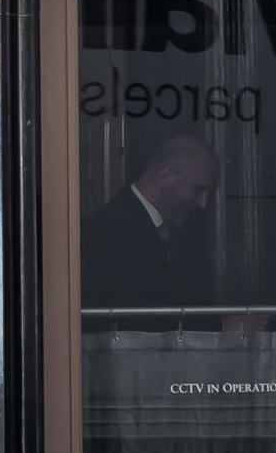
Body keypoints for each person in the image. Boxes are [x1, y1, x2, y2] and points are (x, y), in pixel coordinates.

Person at [82, 130, 219, 317]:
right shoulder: (109, 232)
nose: (203, 203)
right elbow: (132, 318)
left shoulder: (172, 230)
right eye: (198, 189)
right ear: (166, 178)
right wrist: (219, 328)